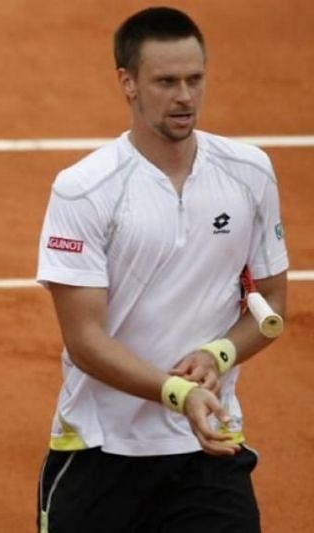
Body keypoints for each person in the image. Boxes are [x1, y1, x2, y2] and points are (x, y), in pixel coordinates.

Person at [35, 7, 287, 532]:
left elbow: (271, 305)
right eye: (166, 82)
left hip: (209, 451)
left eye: (195, 79)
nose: (185, 97)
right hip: (101, 451)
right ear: (127, 83)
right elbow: (84, 340)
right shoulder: (85, 189)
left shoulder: (249, 174)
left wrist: (217, 355)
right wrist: (179, 394)